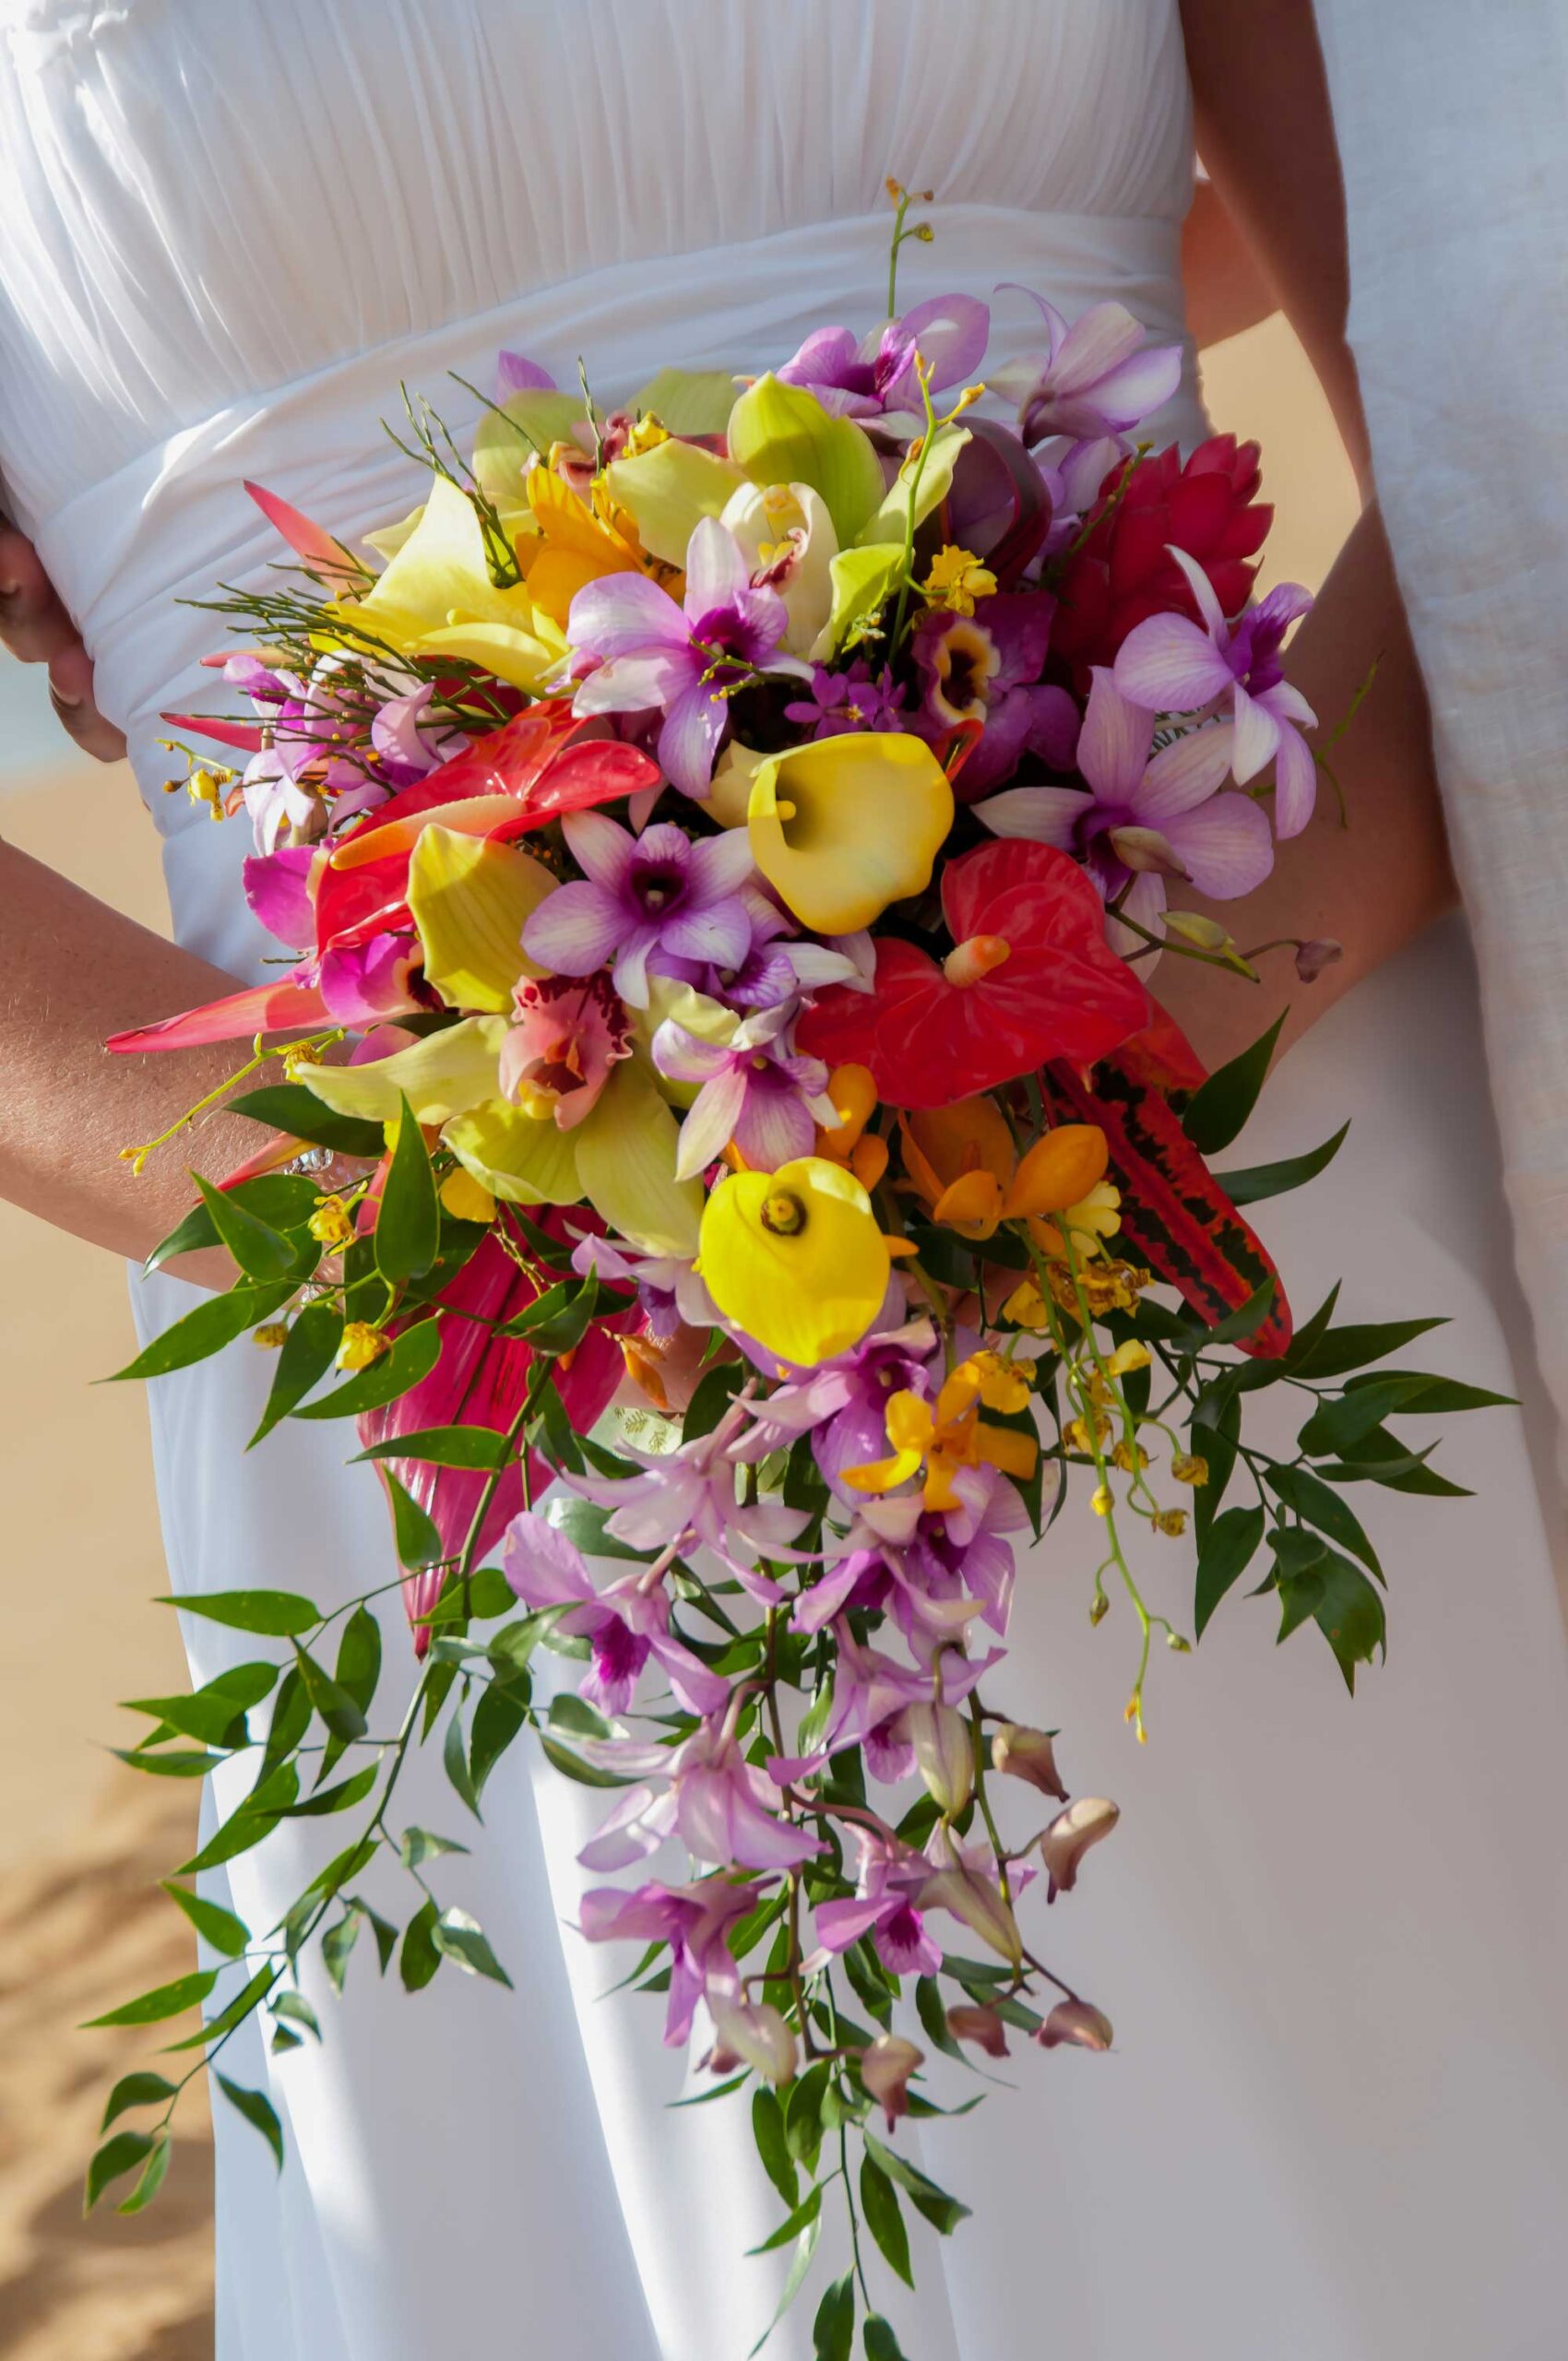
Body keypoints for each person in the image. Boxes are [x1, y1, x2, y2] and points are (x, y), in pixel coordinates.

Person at [3, 5, 1566, 2354]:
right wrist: (460, 1220)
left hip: (1241, 1160)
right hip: (476, 1358)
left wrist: (1107, 1040)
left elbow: (1496, 332)